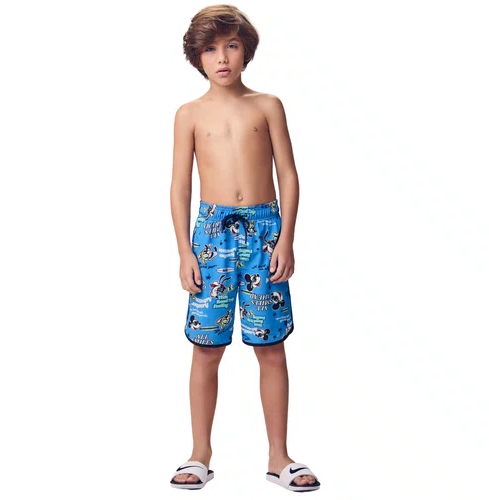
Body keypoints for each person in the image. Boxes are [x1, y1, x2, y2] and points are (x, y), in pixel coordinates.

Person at [169, 4, 320, 492]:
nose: (222, 57)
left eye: (231, 45)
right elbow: (179, 186)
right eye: (211, 49)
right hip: (211, 236)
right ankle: (200, 453)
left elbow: (288, 174)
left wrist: (286, 237)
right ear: (197, 57)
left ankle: (279, 457)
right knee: (206, 348)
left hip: (263, 232)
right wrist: (184, 251)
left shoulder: (267, 105)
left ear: (245, 50)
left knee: (271, 347)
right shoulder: (189, 114)